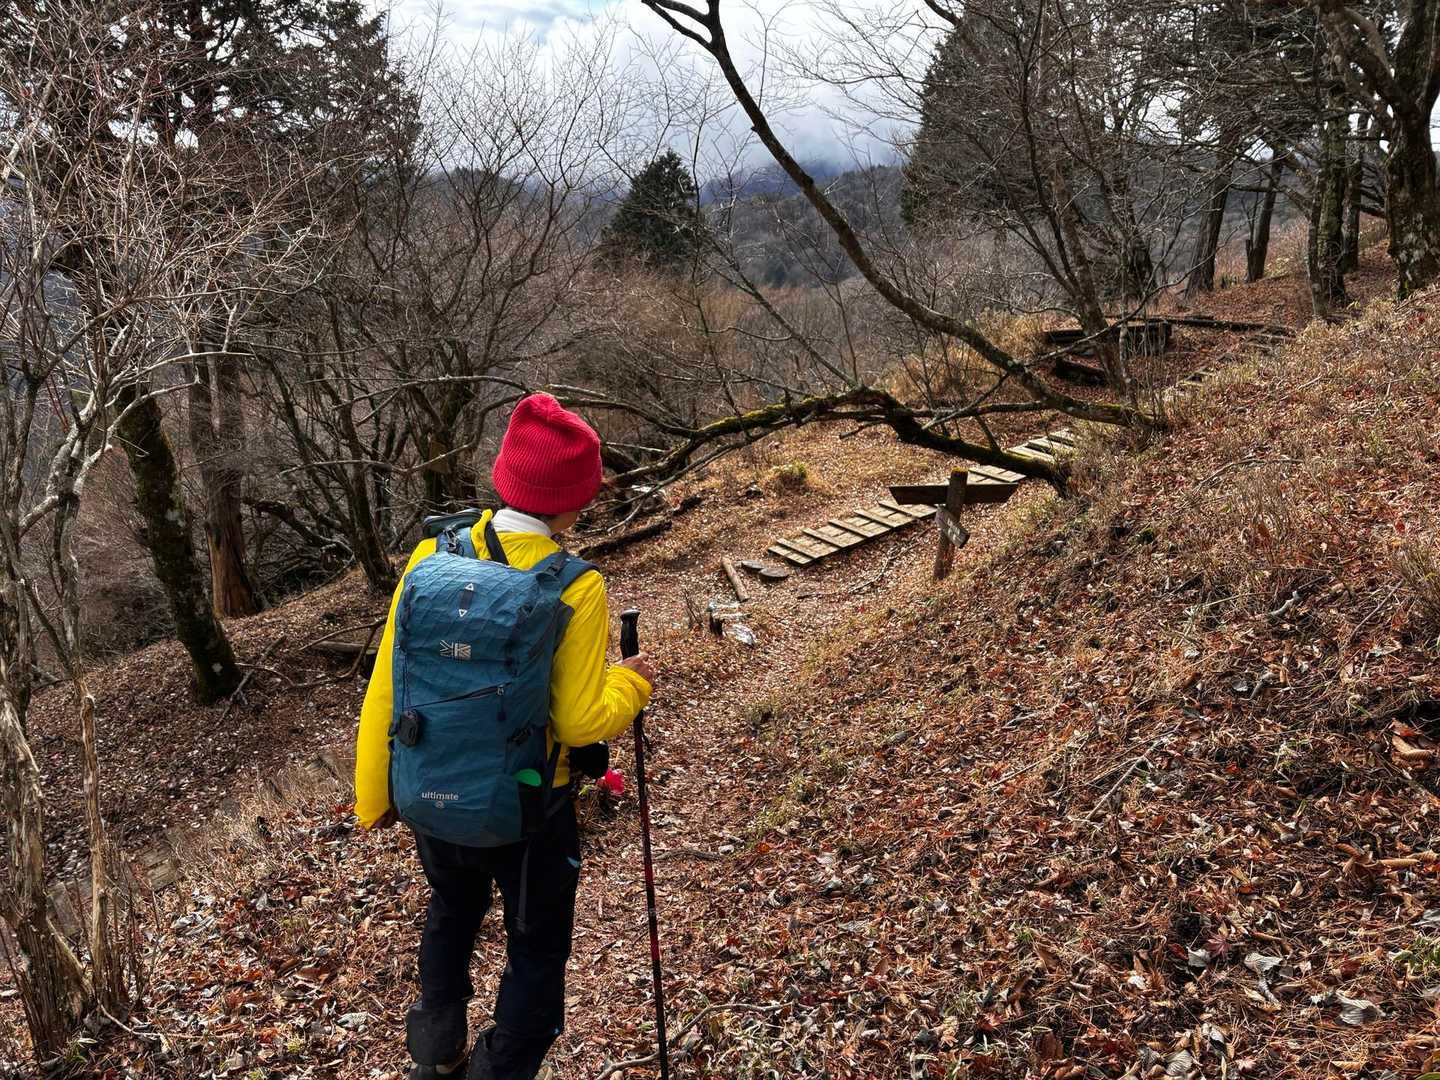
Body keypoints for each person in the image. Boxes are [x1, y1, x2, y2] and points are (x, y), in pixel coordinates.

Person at [354, 393, 656, 1080]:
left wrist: (376, 794)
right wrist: (631, 684)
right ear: (573, 499)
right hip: (528, 809)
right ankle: (499, 1068)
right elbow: (579, 721)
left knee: (451, 911)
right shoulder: (575, 586)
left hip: (433, 793)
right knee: (535, 947)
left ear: (506, 476)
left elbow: (387, 686)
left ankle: (436, 1051)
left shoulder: (431, 554)